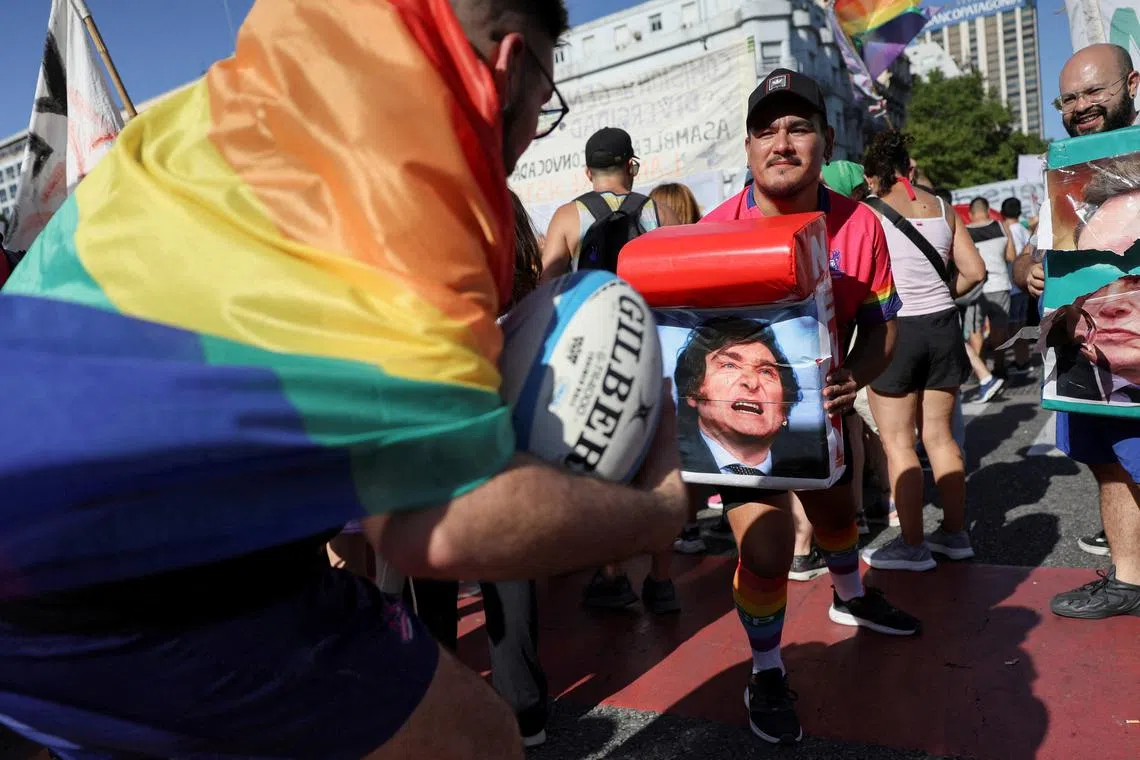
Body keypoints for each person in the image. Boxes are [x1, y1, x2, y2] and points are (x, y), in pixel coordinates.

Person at [0, 2, 691, 758]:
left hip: (66, 531)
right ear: (508, 64)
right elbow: (444, 524)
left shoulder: (251, 82)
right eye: (543, 107)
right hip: (109, 566)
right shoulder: (421, 167)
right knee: (477, 739)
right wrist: (654, 512)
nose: (531, 137)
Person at [700, 68, 920, 745]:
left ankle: (853, 594)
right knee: (767, 553)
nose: (782, 142)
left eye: (798, 127)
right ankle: (766, 670)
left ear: (825, 139)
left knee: (835, 516)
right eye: (766, 130)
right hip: (742, 430)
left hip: (825, 416)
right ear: (748, 148)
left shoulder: (861, 226)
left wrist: (854, 378)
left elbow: (884, 326)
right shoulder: (712, 231)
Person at [1012, 43, 1140, 618]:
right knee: (1107, 459)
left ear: (1132, 85)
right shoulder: (1060, 174)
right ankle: (1130, 580)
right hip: (1087, 363)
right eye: (1070, 97)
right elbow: (1033, 255)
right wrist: (1030, 271)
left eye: (1096, 91)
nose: (1082, 105)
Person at [857, 130, 987, 572]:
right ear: (907, 167)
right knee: (941, 437)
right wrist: (943, 292)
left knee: (898, 443)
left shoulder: (867, 211)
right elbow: (976, 271)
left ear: (873, 176)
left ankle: (912, 546)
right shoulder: (944, 207)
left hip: (894, 329)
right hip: (943, 326)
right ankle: (955, 535)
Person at [674, 317, 811, 476]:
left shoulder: (813, 466)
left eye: (766, 371)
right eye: (730, 365)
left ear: (785, 407)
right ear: (693, 392)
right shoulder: (662, 467)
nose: (751, 382)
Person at [542, 127, 660, 278]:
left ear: (588, 173)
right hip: (645, 301)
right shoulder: (661, 213)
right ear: (630, 167)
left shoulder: (565, 217)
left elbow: (547, 283)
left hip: (591, 300)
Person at [963, 197, 1015, 396]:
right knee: (999, 330)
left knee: (975, 330)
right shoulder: (1001, 227)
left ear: (970, 213)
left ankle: (981, 373)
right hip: (1000, 285)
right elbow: (1011, 256)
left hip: (975, 288)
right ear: (987, 210)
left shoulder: (965, 232)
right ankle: (1000, 370)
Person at [1002, 198, 1034, 372]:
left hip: (1011, 285)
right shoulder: (1023, 229)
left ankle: (1021, 361)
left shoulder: (1008, 231)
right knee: (1021, 323)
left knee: (1014, 325)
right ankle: (1024, 359)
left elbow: (1010, 256)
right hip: (1022, 285)